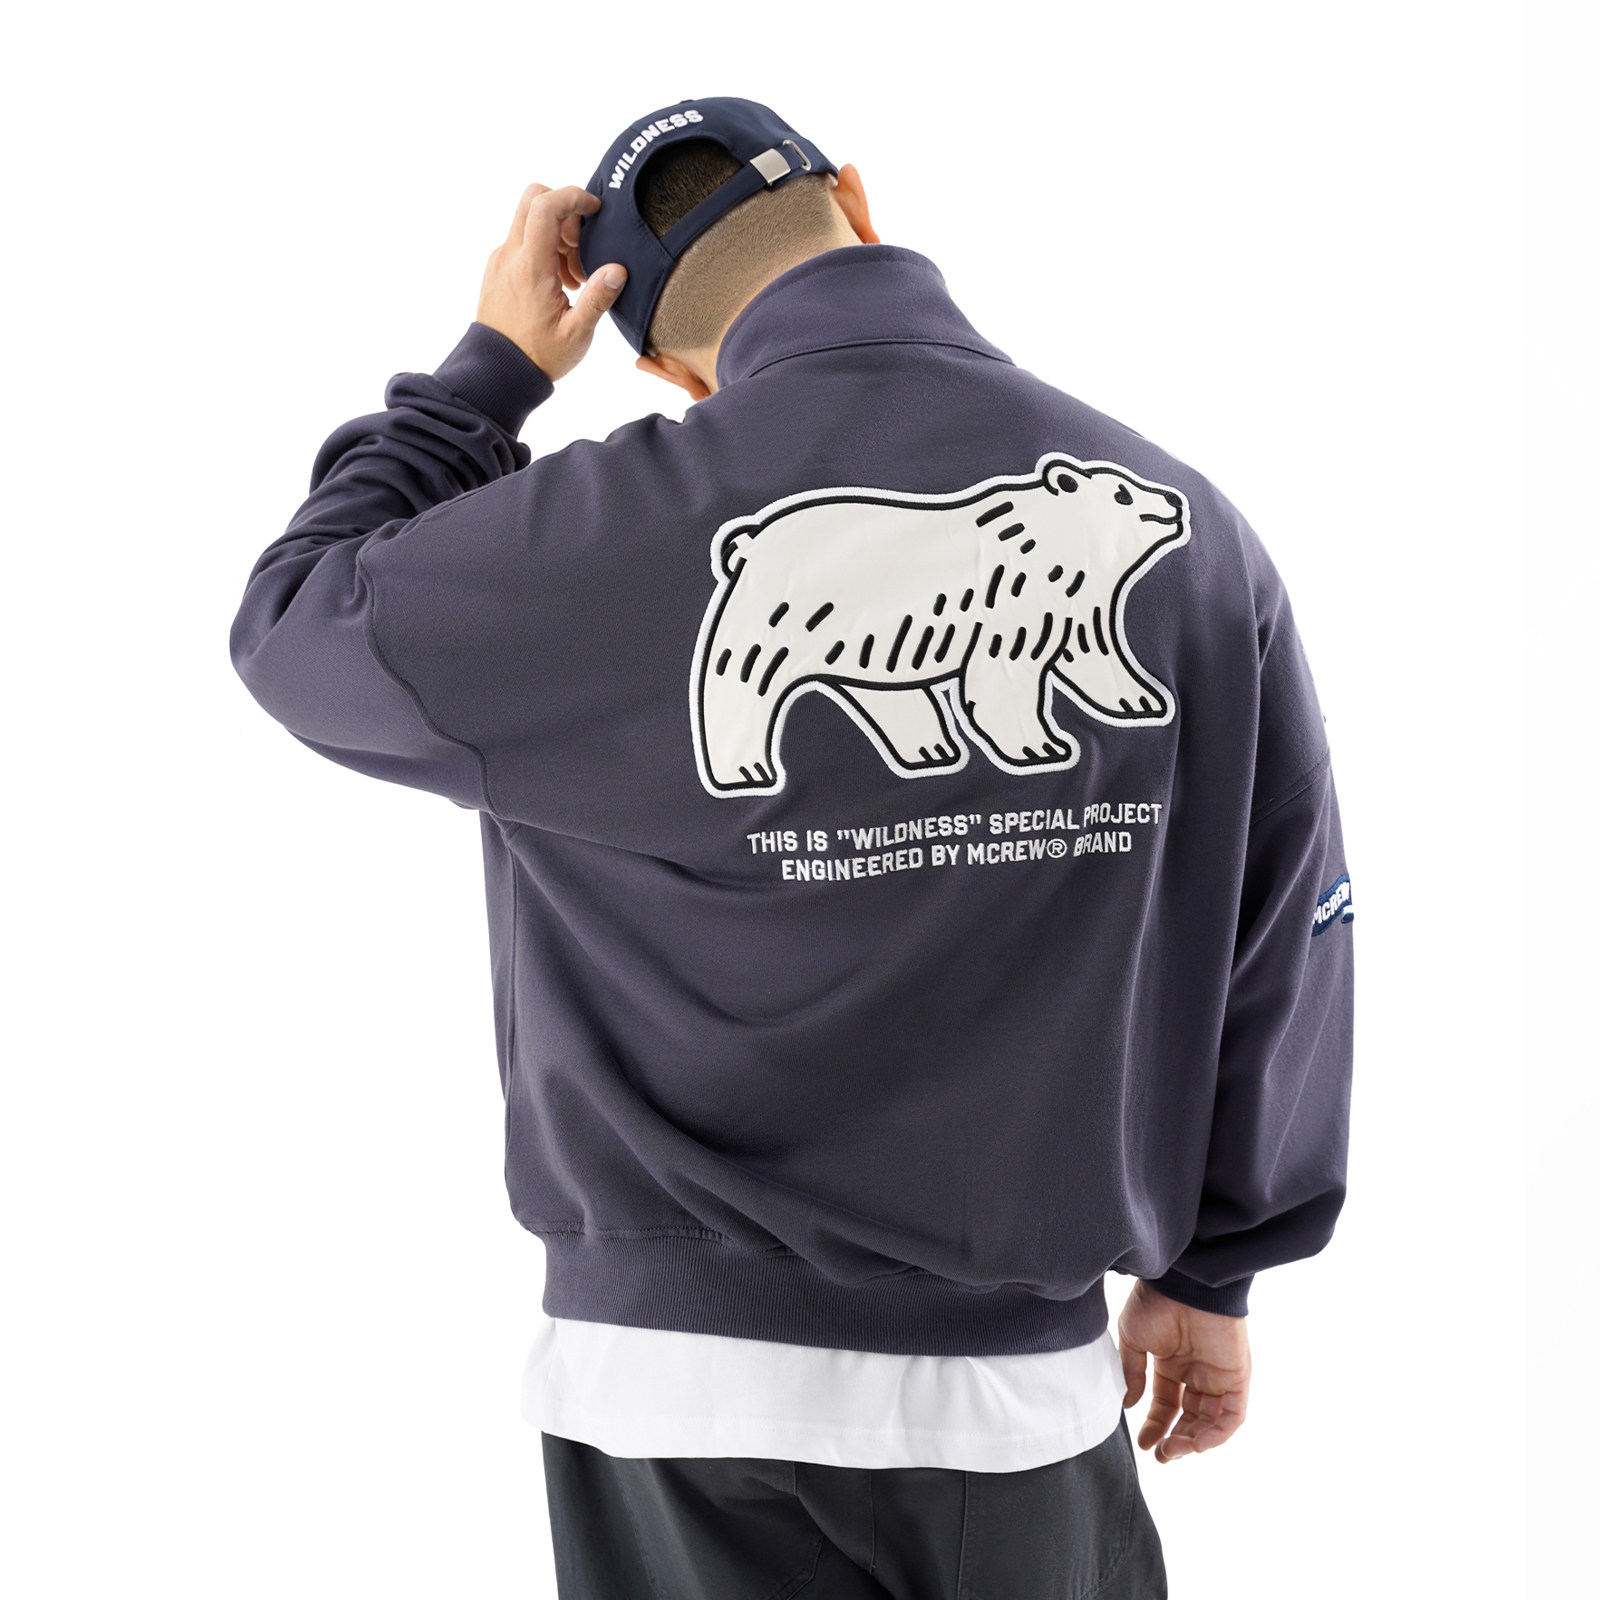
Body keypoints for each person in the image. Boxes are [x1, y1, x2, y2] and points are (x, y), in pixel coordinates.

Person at [230, 96, 1354, 1599]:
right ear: (861, 203)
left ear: (659, 360)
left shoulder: (591, 538)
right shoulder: (1195, 534)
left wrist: (486, 379)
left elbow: (295, 625)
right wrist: (1215, 1265)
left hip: (665, 1393)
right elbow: (1286, 918)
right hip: (1012, 1394)